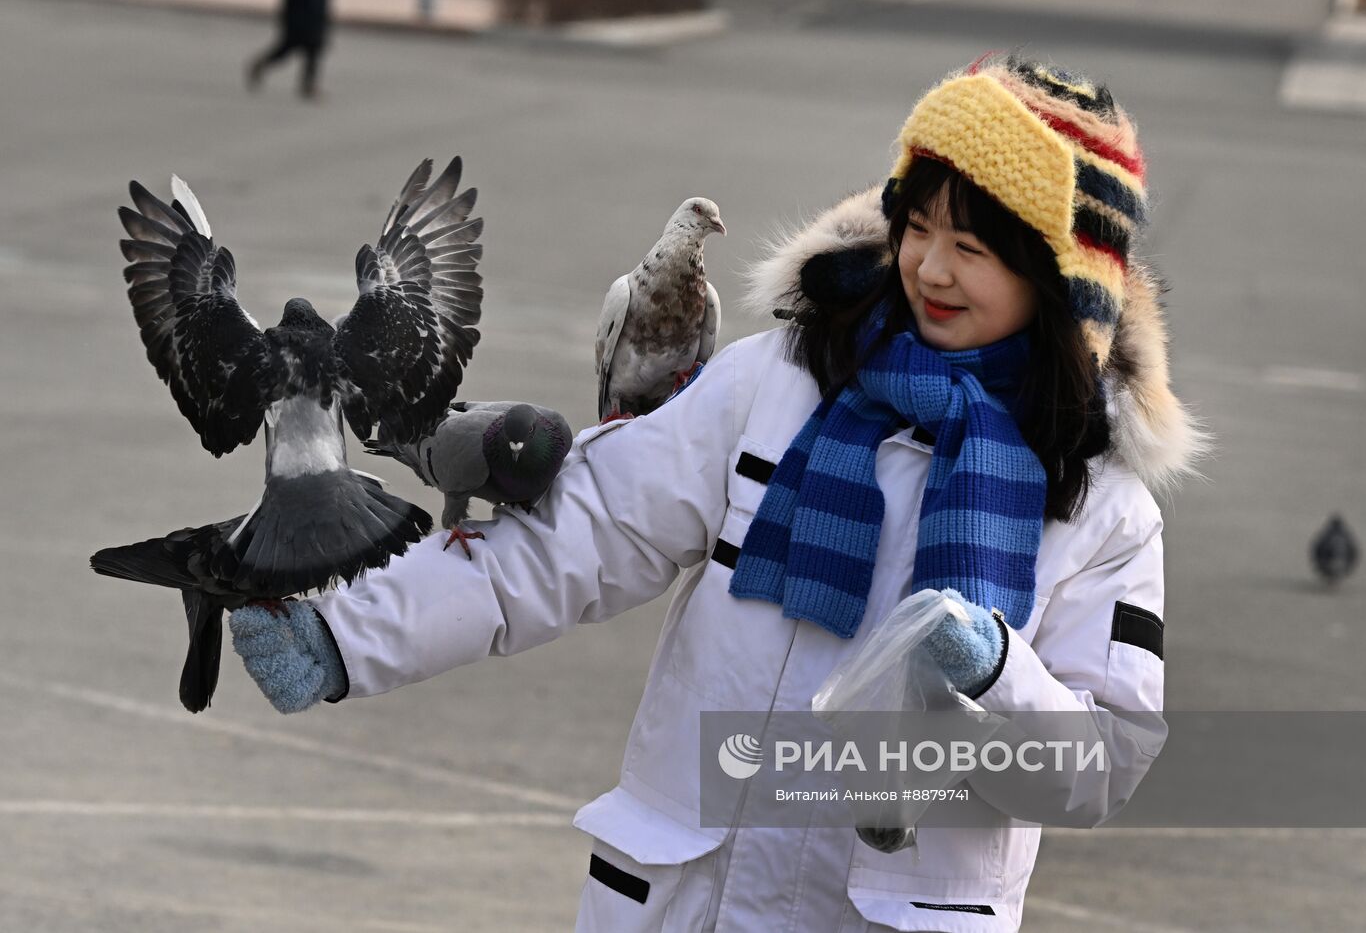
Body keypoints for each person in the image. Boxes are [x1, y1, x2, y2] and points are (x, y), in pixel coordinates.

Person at [228, 54, 1206, 931]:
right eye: (917, 226)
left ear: (1058, 280)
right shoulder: (775, 381)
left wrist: (995, 670)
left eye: (976, 248)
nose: (930, 268)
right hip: (684, 899)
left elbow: (1100, 764)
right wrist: (348, 631)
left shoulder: (1102, 507)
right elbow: (574, 537)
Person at [246, 0, 332, 100]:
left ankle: (308, 85)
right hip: (298, 7)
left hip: (315, 5)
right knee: (289, 45)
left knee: (314, 47)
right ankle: (261, 64)